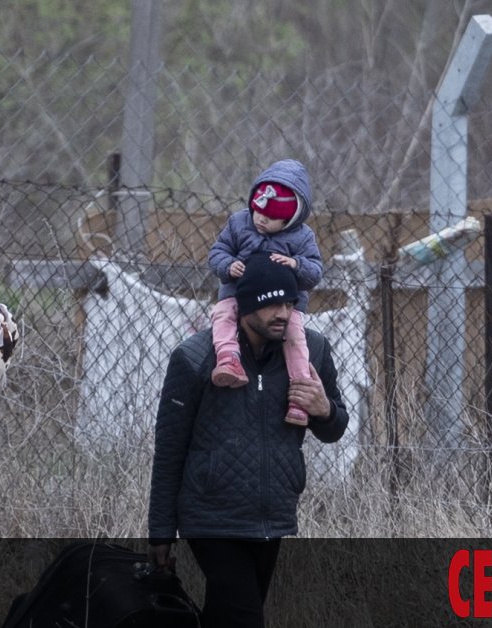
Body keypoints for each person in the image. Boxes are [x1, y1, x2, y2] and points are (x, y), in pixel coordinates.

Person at [147, 255, 349, 628]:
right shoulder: (195, 357)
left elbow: (333, 430)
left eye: (289, 303)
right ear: (244, 305)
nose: (283, 314)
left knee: (228, 615)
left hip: (273, 516)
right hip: (210, 517)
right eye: (272, 303)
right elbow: (170, 448)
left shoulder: (311, 352)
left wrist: (325, 410)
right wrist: (161, 531)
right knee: (245, 618)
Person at [207, 158, 323, 425]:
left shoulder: (302, 237)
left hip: (284, 304)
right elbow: (217, 253)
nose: (260, 219)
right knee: (222, 315)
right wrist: (227, 265)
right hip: (236, 293)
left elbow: (315, 272)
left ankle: (299, 395)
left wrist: (297, 264)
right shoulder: (239, 223)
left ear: (290, 219)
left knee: (295, 338)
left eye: (270, 218)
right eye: (258, 211)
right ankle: (228, 359)